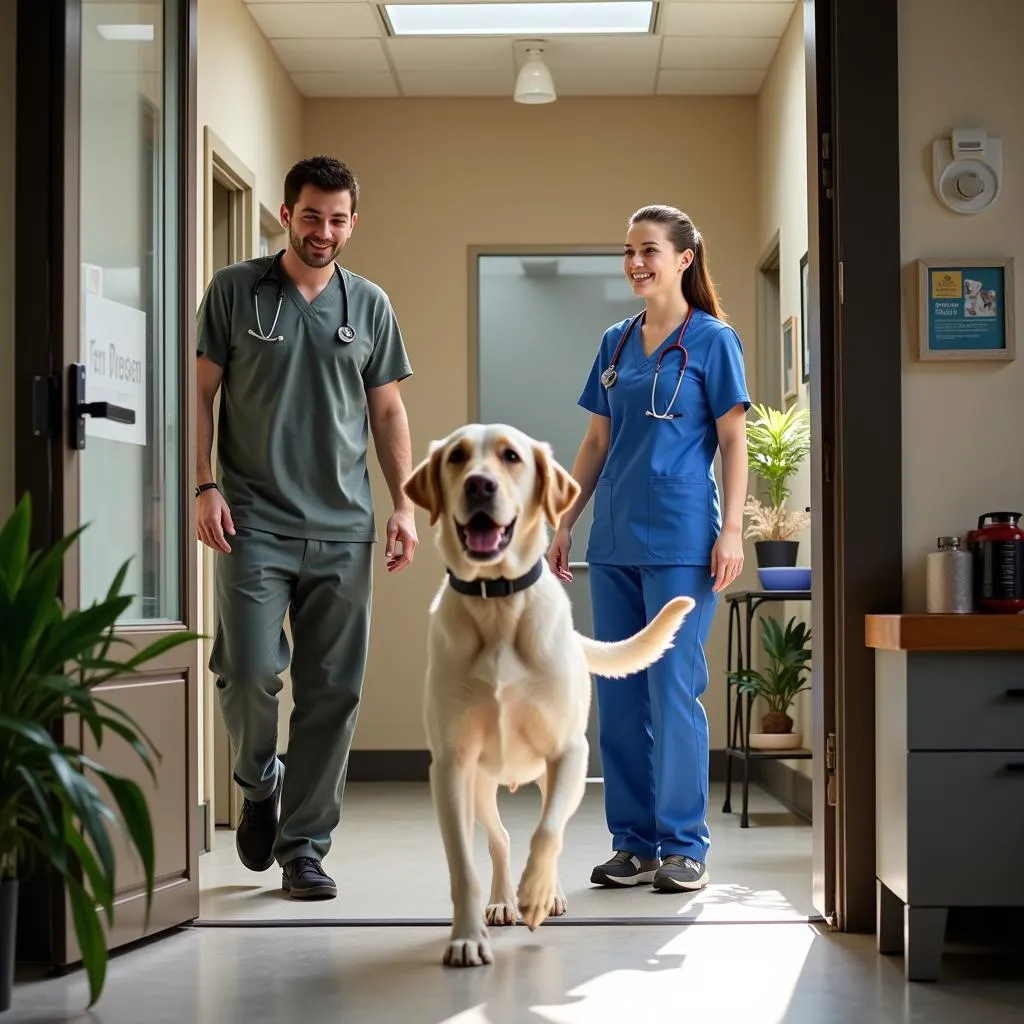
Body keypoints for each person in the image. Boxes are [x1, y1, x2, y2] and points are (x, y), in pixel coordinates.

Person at [195, 155, 418, 900]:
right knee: (250, 670)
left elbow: (387, 410)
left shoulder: (370, 305)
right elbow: (200, 397)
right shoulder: (234, 292)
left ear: (354, 222)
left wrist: (405, 505)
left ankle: (304, 848)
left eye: (338, 218)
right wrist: (204, 485)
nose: (324, 231)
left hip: (344, 527)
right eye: (312, 215)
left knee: (332, 692)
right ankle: (260, 783)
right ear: (286, 215)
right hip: (252, 520)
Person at [548, 205, 749, 893]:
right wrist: (564, 520)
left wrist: (732, 530)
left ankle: (684, 845)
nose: (636, 262)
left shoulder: (713, 340)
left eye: (650, 250)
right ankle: (632, 843)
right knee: (623, 693)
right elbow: (596, 443)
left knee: (674, 688)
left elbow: (733, 441)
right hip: (613, 544)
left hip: (684, 542)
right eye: (629, 250)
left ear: (684, 258)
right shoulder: (615, 341)